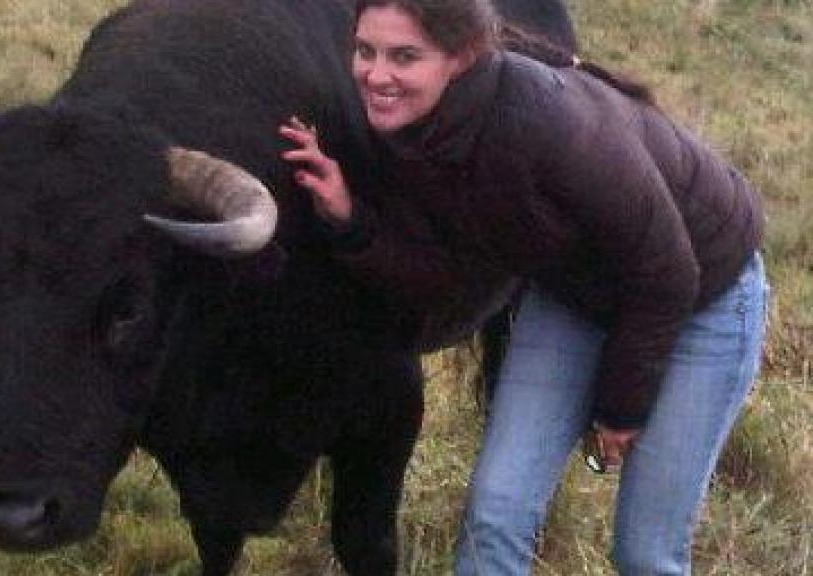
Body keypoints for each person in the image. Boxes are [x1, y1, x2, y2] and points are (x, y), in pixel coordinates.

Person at [278, 0, 769, 574]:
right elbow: (443, 279)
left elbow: (665, 272)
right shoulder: (411, 127)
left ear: (459, 59)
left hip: (704, 299)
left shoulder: (552, 124)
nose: (376, 74)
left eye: (404, 56)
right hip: (575, 292)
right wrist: (348, 217)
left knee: (644, 551)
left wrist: (619, 410)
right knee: (496, 514)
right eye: (365, 50)